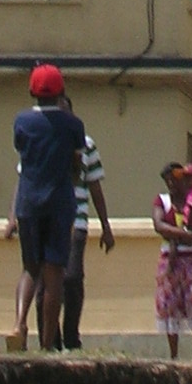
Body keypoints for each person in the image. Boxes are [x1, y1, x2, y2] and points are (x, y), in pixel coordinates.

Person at [4, 63, 85, 353]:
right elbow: (75, 165)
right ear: (61, 90)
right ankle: (48, 342)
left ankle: (18, 324)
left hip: (28, 202)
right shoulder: (73, 124)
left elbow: (24, 157)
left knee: (30, 268)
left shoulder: (21, 121)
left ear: (32, 91)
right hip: (59, 202)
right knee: (54, 275)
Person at [59, 94, 114, 352]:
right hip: (47, 218)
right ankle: (50, 338)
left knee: (72, 277)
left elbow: (95, 186)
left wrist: (106, 226)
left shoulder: (86, 144)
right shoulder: (41, 140)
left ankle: (71, 336)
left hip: (76, 220)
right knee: (46, 282)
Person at [152, 160, 192, 359]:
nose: (172, 184)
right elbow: (159, 224)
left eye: (177, 179)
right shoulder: (162, 201)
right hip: (171, 258)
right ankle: (174, 353)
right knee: (170, 303)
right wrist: (183, 234)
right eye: (168, 180)